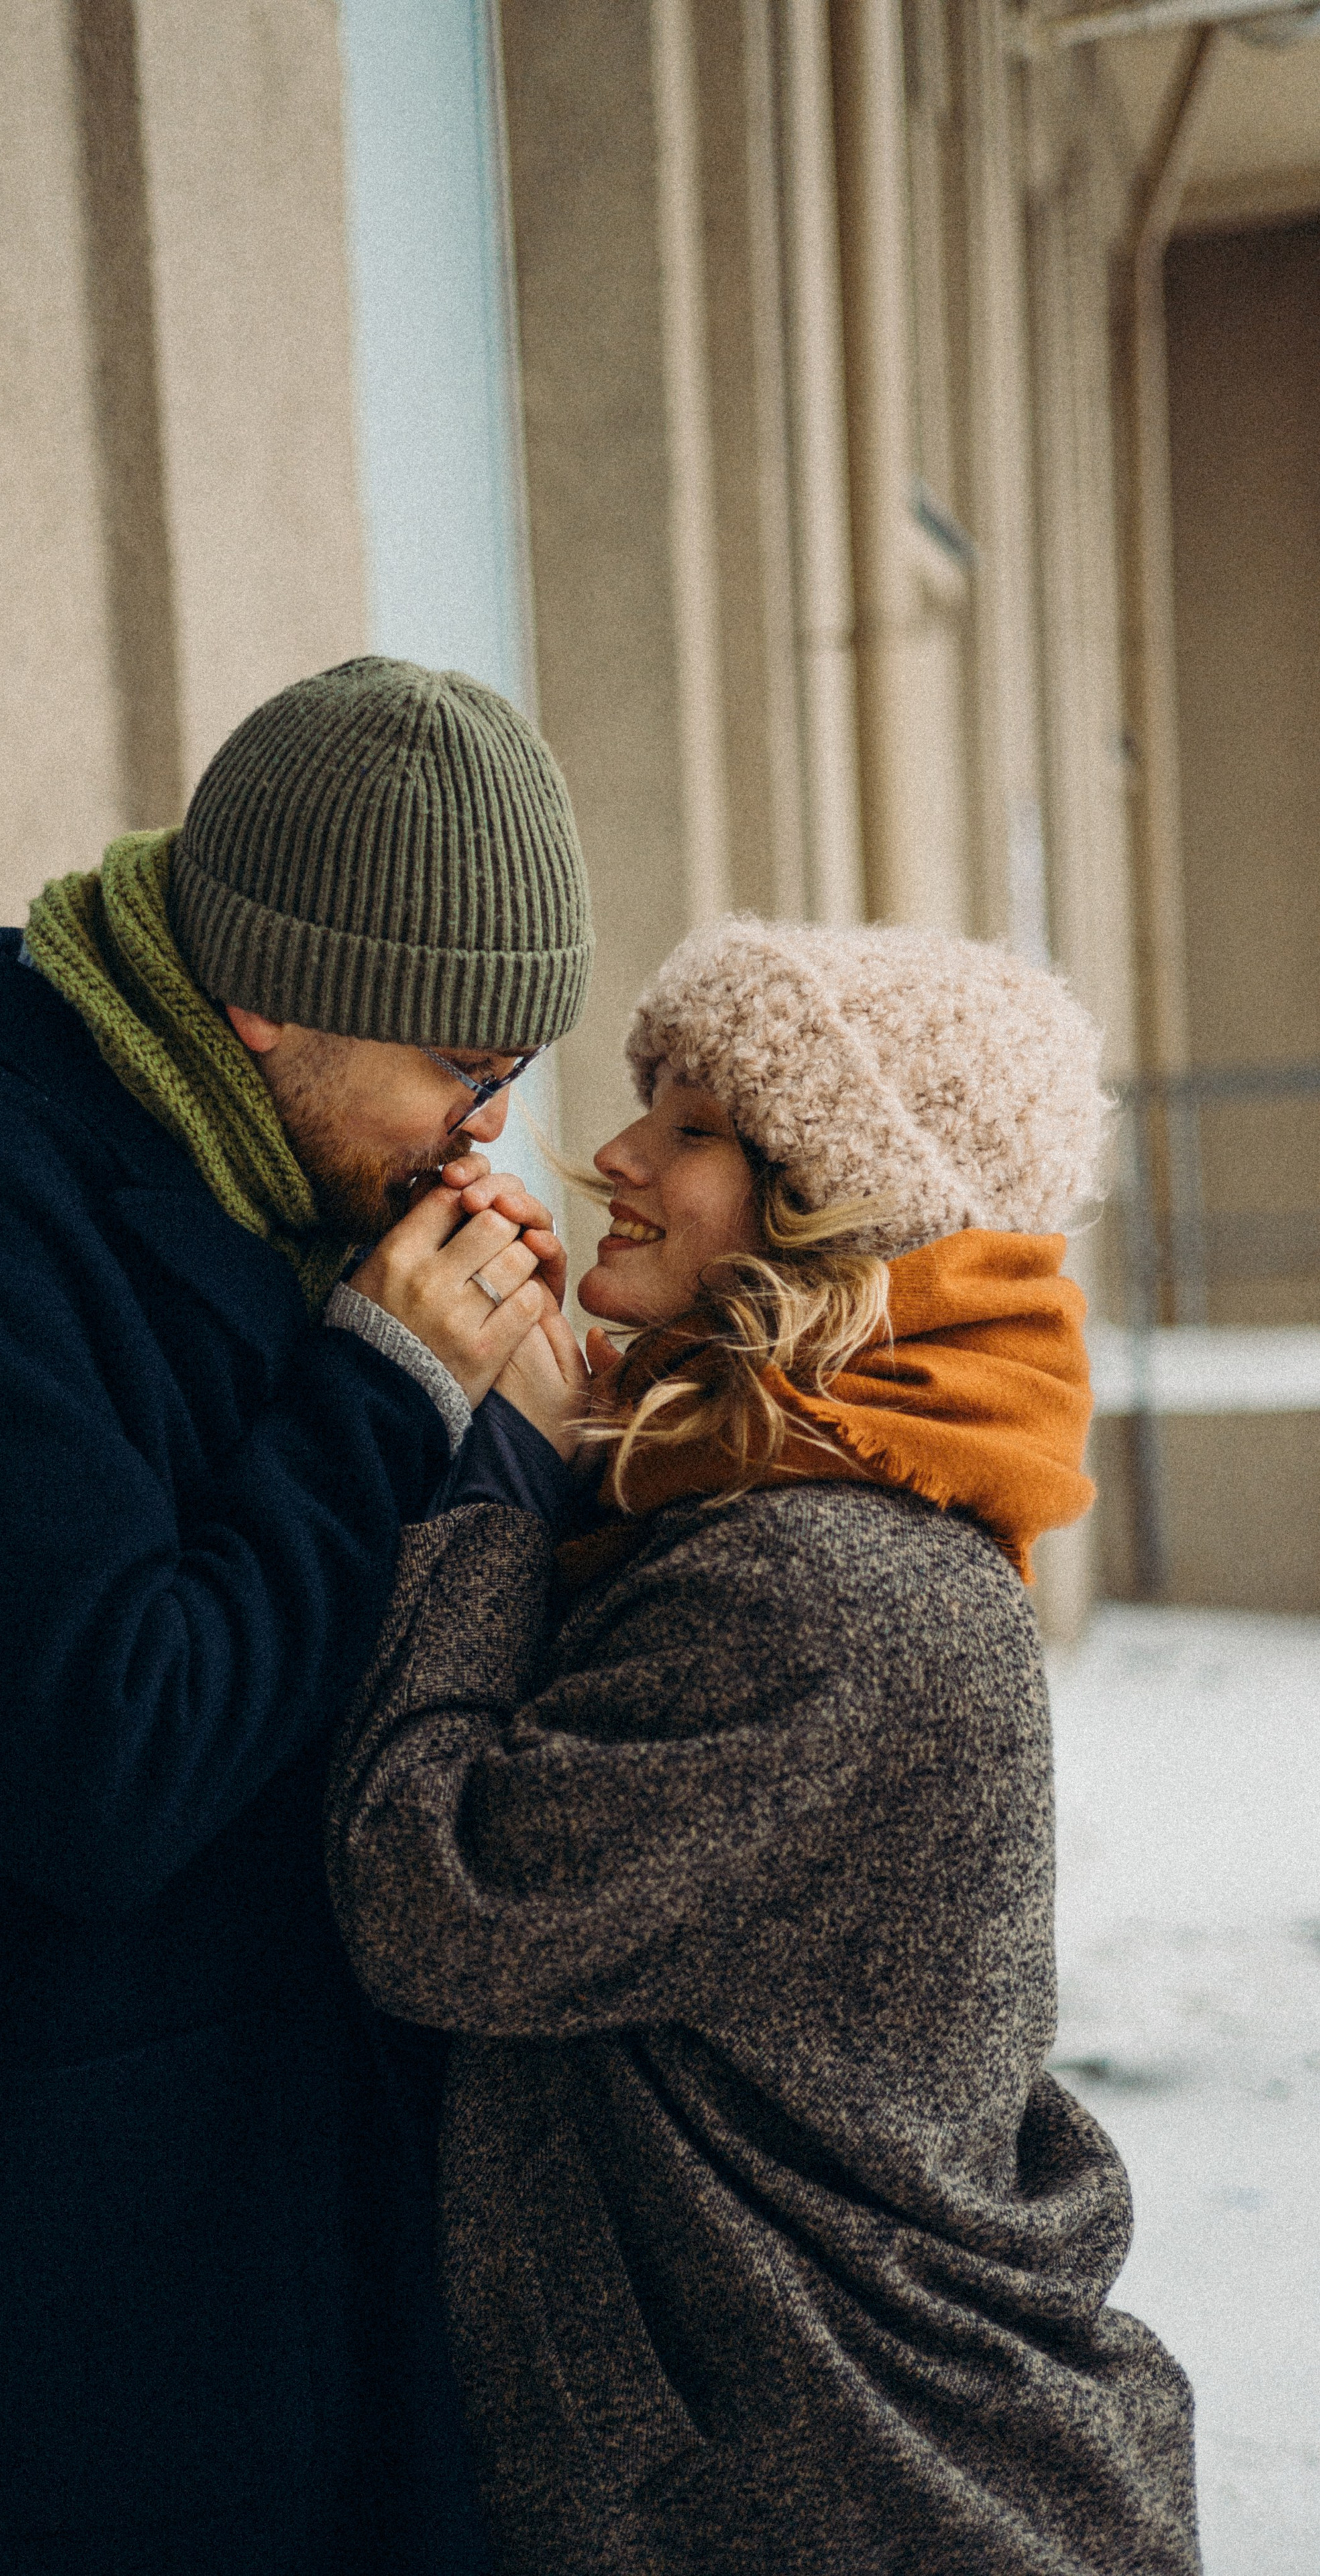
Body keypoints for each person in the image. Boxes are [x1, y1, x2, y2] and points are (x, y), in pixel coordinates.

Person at [0, 657, 594, 2576]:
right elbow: (109, 1758)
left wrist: (538, 1436)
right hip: (45, 2310)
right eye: (462, 1069)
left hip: (290, 2262)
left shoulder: (270, 1188)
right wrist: (380, 1384)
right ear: (263, 994)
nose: (485, 1137)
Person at [327, 916, 1202, 2576]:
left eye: (693, 1128)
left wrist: (488, 1506)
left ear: (832, 1204)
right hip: (814, 2449)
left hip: (850, 2479)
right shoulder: (780, 1500)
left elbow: (434, 1899)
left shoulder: (816, 1576)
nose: (611, 1154)